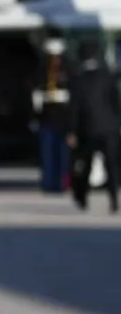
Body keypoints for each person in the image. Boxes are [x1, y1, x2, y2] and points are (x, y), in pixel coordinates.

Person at [68, 40, 119, 214]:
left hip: (87, 128)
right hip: (109, 127)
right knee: (111, 165)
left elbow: (74, 108)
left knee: (85, 165)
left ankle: (82, 198)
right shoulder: (108, 76)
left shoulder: (77, 80)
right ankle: (113, 199)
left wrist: (72, 131)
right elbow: (115, 102)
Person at [30, 35, 74, 193]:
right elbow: (36, 90)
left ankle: (62, 182)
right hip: (47, 116)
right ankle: (48, 182)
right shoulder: (42, 69)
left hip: (63, 117)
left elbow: (74, 91)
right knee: (47, 154)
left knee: (63, 154)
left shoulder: (68, 69)